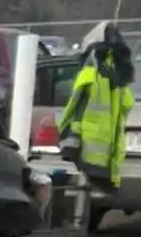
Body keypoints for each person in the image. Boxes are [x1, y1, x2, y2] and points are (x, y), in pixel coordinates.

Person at [55, 23, 136, 191]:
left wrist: (67, 137)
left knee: (82, 196)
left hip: (87, 152)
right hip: (107, 157)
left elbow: (73, 109)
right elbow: (127, 105)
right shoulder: (120, 79)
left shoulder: (90, 74)